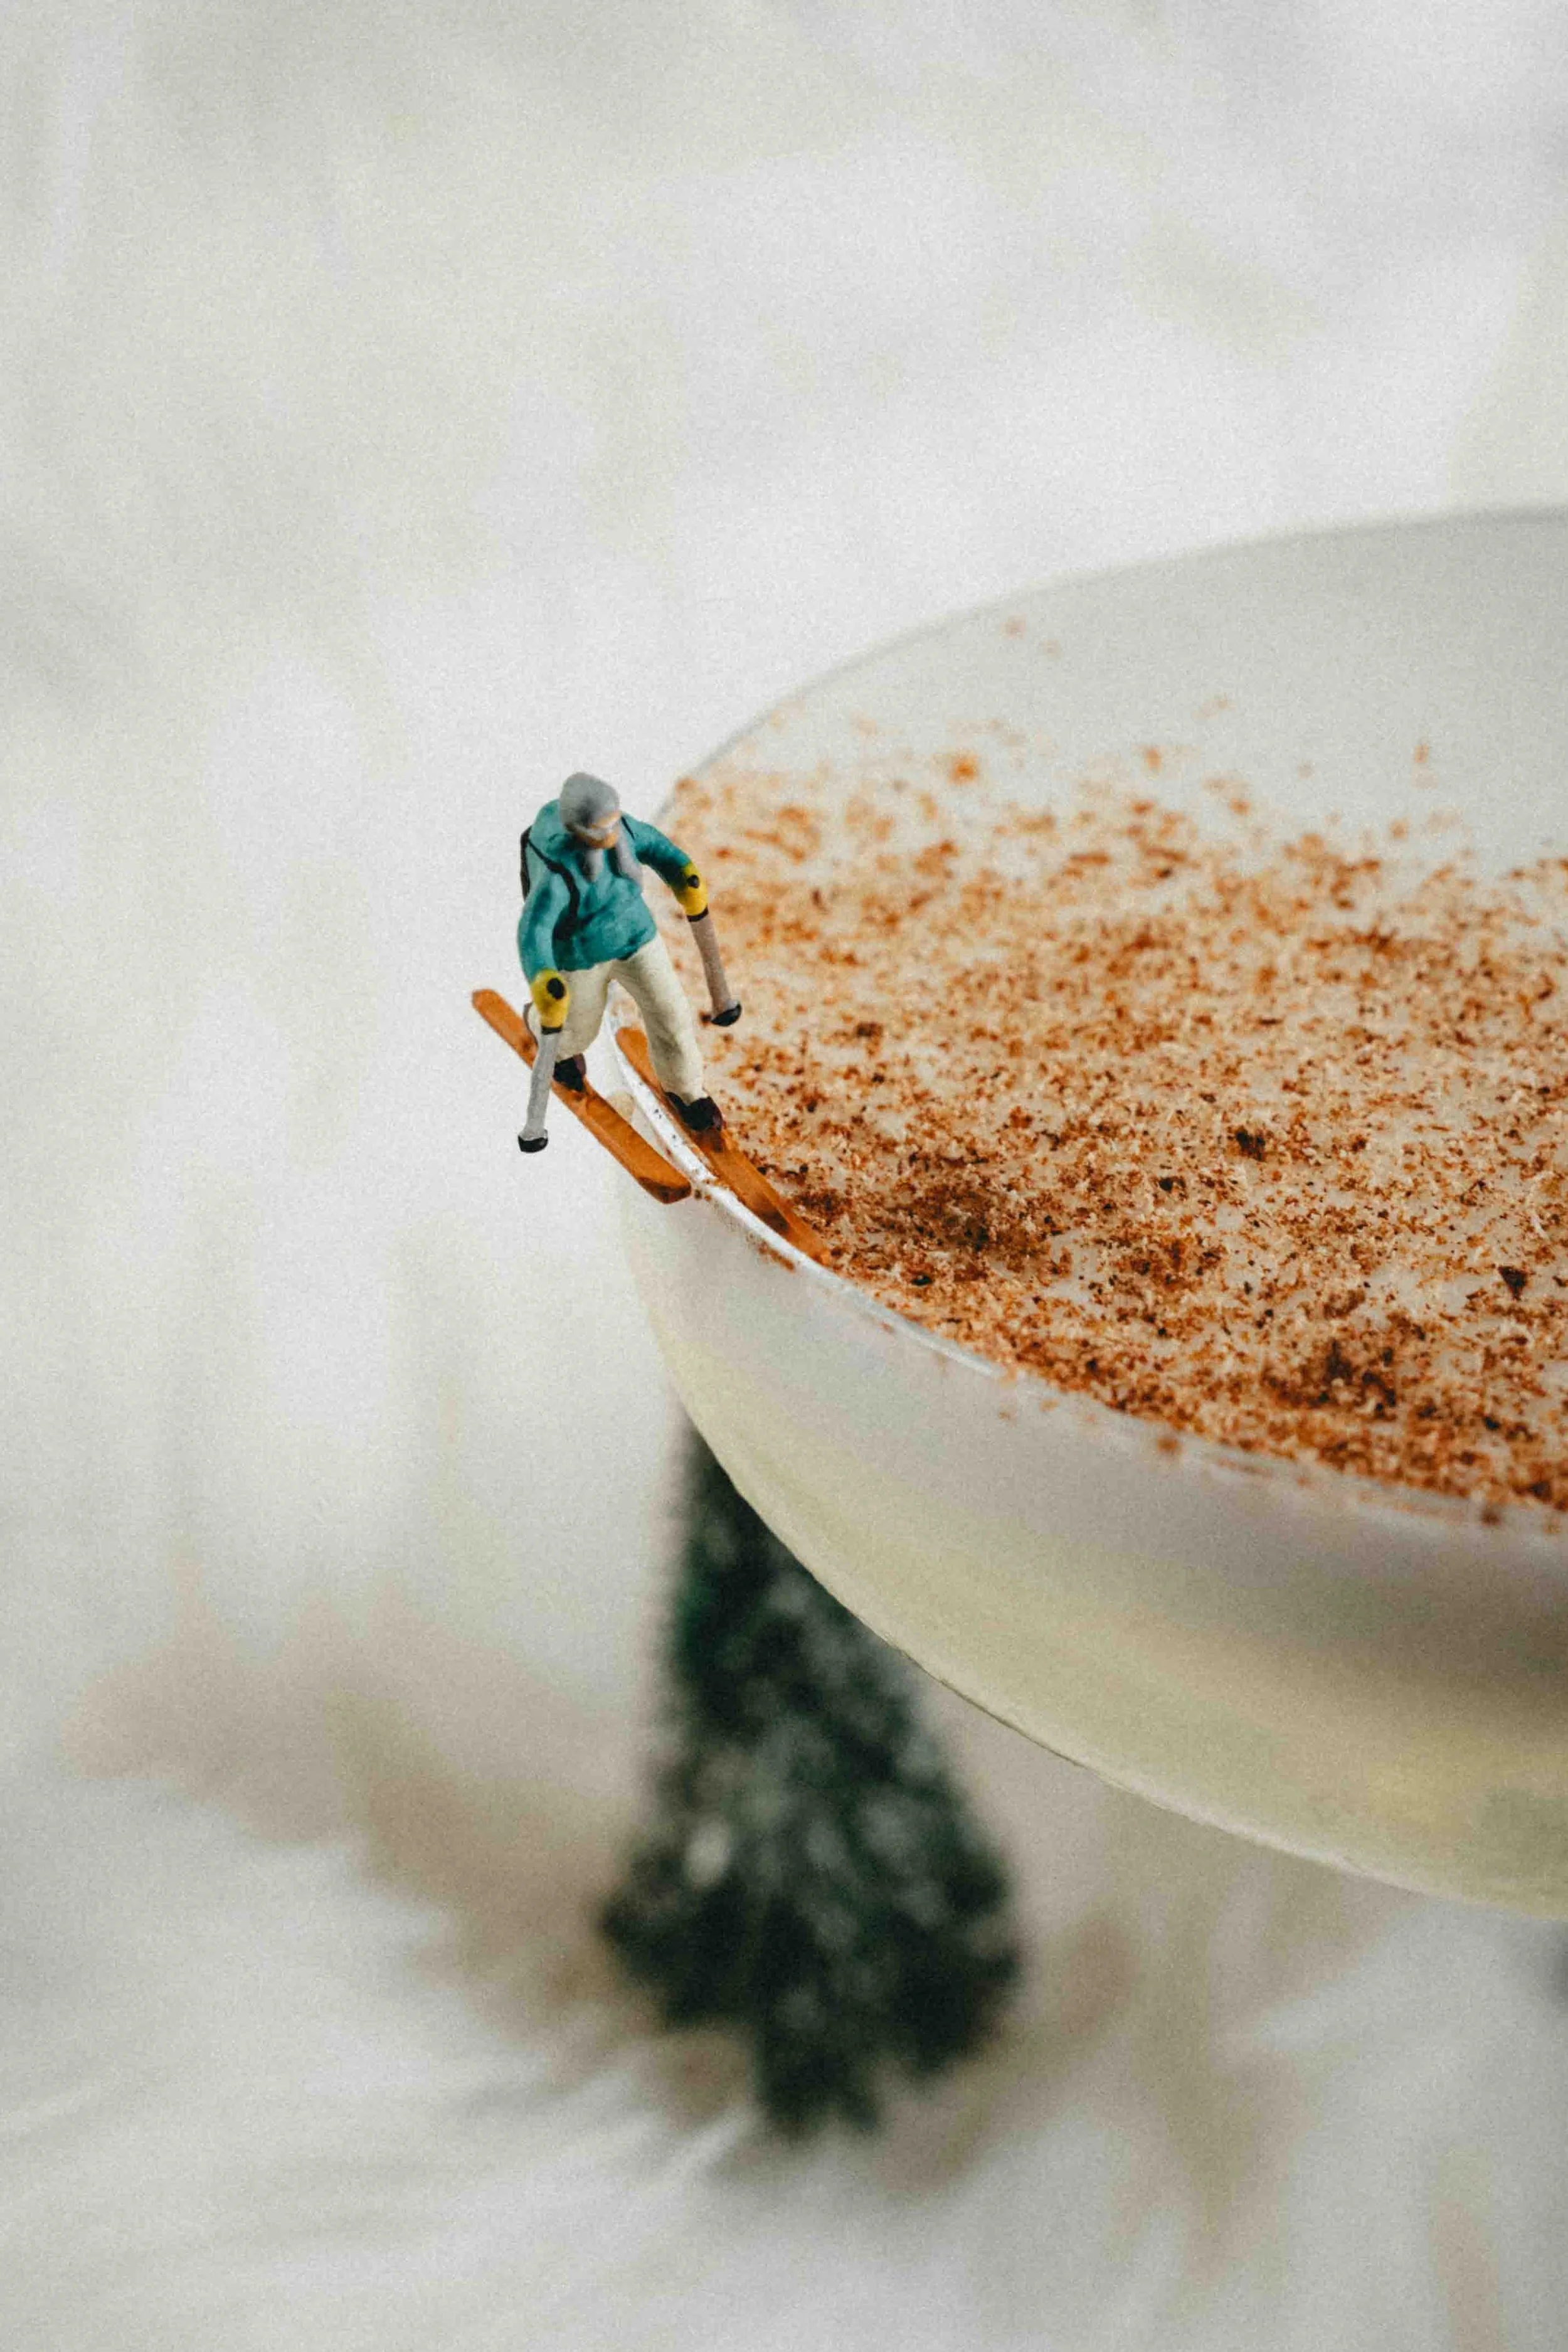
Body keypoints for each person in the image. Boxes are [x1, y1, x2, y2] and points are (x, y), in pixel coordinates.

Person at [518, 772, 729, 1132]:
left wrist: (684, 874)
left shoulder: (625, 832)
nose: (612, 833)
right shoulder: (558, 876)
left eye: (614, 821)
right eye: (602, 829)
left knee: (671, 1013)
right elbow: (533, 931)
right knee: (578, 1032)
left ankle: (686, 1089)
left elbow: (660, 849)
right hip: (582, 956)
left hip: (638, 938)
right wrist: (542, 979)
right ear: (577, 831)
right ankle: (543, 1027)